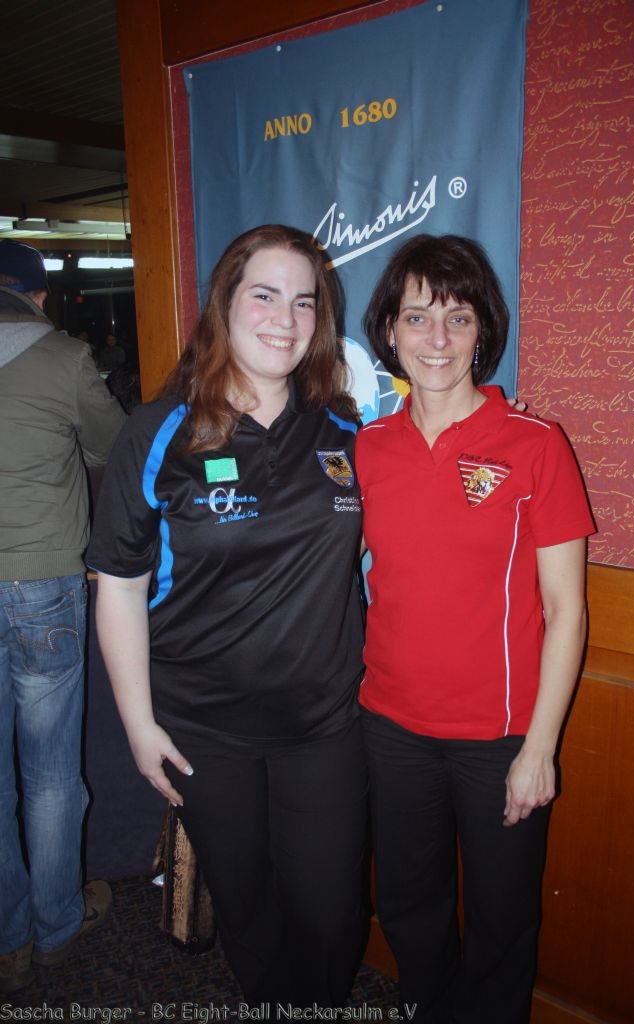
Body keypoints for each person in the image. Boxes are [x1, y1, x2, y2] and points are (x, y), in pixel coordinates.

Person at [88, 225, 369, 1006]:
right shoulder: (160, 430)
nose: (285, 318)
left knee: (330, 910)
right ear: (225, 304)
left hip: (324, 723)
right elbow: (118, 585)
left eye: (304, 302)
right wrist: (138, 726)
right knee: (246, 906)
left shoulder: (345, 430)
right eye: (264, 295)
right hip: (203, 726)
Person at [356, 234, 596, 1024]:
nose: (436, 338)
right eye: (416, 317)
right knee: (409, 906)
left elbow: (565, 611)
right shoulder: (366, 449)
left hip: (500, 737)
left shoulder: (535, 445)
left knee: (501, 921)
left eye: (456, 318)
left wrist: (539, 748)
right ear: (387, 329)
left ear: (482, 332)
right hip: (389, 726)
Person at [0, 240, 126, 993]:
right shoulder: (64, 358)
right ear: (38, 296)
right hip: (43, 578)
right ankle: (54, 927)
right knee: (49, 775)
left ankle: (7, 937)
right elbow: (112, 445)